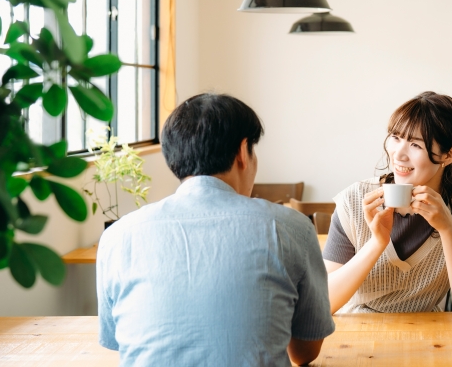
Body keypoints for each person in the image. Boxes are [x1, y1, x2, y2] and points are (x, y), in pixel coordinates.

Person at [96, 93, 335, 366]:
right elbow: (305, 352)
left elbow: (117, 340)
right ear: (243, 152)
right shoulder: (291, 227)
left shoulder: (118, 235)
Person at [323, 91, 452, 315]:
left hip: (429, 334)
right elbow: (325, 301)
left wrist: (448, 228)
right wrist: (377, 242)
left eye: (416, 145)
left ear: (449, 155)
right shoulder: (354, 200)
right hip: (357, 332)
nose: (398, 154)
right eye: (395, 137)